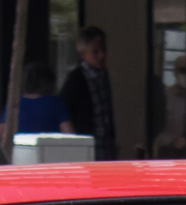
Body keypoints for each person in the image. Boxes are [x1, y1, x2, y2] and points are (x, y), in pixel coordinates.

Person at [59, 28, 116, 157]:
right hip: (88, 144)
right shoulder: (76, 78)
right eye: (95, 52)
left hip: (106, 144)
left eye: (103, 50)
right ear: (83, 54)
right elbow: (66, 111)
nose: (102, 55)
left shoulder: (103, 75)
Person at [15, 65, 69, 138]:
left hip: (18, 148)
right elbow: (69, 135)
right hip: (49, 148)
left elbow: (1, 136)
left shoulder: (14, 104)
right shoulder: (55, 104)